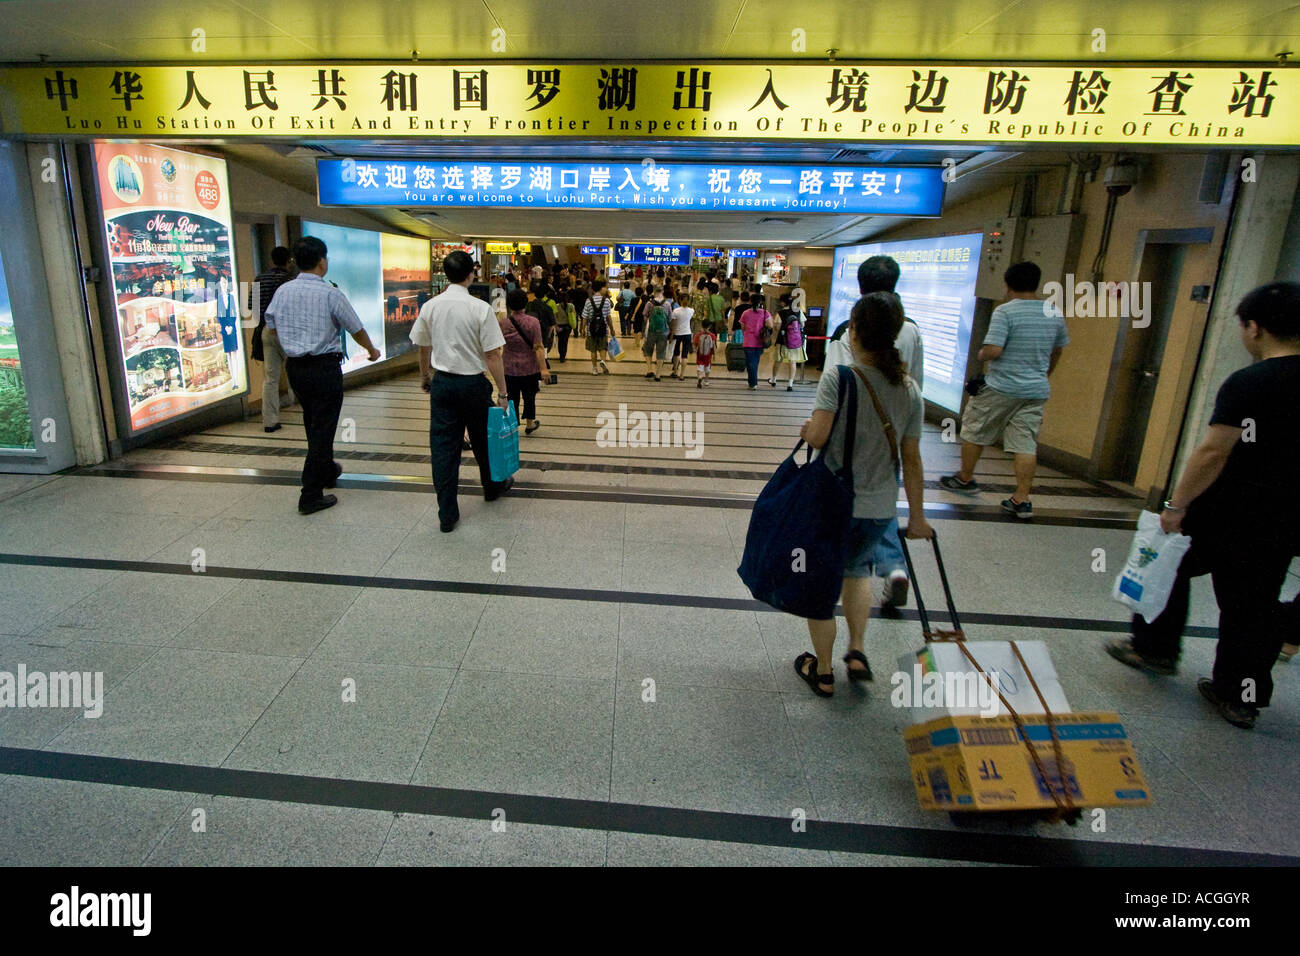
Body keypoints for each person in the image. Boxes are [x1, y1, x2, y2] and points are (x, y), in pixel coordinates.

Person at [1106, 282, 1300, 729]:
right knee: (1254, 603)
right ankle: (1239, 697)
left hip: (1228, 508)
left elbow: (1214, 451)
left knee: (1168, 563)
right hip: (1284, 517)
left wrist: (1177, 505)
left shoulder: (1251, 381)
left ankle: (1154, 649)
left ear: (1255, 328)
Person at [794, 293, 933, 696]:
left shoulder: (840, 377)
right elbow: (912, 458)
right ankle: (856, 650)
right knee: (857, 572)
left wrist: (806, 430)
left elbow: (818, 436)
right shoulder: (908, 388)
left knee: (821, 584)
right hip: (878, 509)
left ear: (853, 330)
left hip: (834, 503)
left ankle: (822, 671)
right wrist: (918, 517)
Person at [826, 257, 926, 606]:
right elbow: (915, 386)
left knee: (853, 504)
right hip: (891, 437)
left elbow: (834, 387)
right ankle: (894, 565)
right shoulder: (911, 329)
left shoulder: (847, 329)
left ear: (859, 285)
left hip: (851, 438)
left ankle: (850, 570)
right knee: (882, 497)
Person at [940, 261, 1066, 520]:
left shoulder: (1005, 312)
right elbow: (1057, 350)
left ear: (1007, 285)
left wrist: (982, 353)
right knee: (1025, 443)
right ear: (1036, 284)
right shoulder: (1053, 312)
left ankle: (965, 478)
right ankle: (1021, 498)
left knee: (975, 429)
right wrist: (1044, 374)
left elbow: (994, 350)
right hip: (1035, 389)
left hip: (1002, 386)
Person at [264, 236, 380, 515]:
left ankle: (327, 470)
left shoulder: (283, 292)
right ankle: (310, 494)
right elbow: (355, 327)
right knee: (323, 429)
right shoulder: (330, 293)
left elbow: (271, 326)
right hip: (324, 369)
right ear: (321, 261)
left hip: (296, 369)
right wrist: (372, 350)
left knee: (313, 421)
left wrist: (293, 345)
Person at [410, 251, 513, 534]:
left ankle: (447, 513)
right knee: (482, 441)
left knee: (444, 449)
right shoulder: (480, 309)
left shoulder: (431, 307)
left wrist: (425, 375)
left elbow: (423, 346)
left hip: (442, 384)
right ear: (472, 274)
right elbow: (493, 355)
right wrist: (503, 393)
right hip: (473, 385)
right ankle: (491, 489)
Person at [249, 246, 295, 432]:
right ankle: (299, 403)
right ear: (288, 261)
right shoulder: (292, 280)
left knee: (270, 378)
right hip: (290, 332)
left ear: (271, 261)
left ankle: (270, 421)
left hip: (267, 331)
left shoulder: (260, 278)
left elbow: (252, 307)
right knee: (298, 371)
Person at [500, 289, 548, 435]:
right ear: (525, 303)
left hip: (509, 367)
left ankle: (512, 425)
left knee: (512, 397)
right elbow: (538, 347)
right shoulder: (533, 322)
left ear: (509, 305)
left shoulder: (503, 323)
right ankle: (529, 423)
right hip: (530, 367)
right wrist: (544, 369)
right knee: (529, 396)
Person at [769, 292, 807, 390]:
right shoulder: (798, 311)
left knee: (778, 360)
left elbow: (777, 327)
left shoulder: (780, 313)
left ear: (783, 302)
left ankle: (773, 380)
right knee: (792, 361)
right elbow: (802, 325)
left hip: (783, 341)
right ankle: (790, 384)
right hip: (795, 342)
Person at [738, 294, 774, 390]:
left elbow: (743, 327)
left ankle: (753, 383)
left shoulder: (745, 313)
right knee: (754, 362)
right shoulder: (765, 313)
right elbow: (770, 326)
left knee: (750, 363)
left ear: (750, 301)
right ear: (761, 302)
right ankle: (753, 382)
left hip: (748, 341)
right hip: (759, 342)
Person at [583, 279, 615, 374]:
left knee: (593, 350)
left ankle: (594, 369)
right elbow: (608, 317)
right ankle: (603, 361)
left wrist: (582, 329)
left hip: (591, 330)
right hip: (603, 329)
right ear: (601, 288)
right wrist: (612, 329)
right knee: (603, 348)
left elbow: (585, 317)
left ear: (593, 290)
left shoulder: (588, 301)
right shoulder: (607, 301)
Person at [642, 289, 672, 381]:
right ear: (662, 292)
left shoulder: (649, 303)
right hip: (663, 332)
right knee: (661, 352)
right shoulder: (667, 304)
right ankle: (658, 375)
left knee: (647, 350)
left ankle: (649, 369)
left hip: (651, 330)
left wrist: (644, 330)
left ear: (654, 292)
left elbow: (644, 316)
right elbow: (670, 318)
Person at [669, 297, 695, 380]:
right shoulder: (691, 310)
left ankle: (675, 371)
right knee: (685, 355)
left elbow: (674, 325)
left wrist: (671, 336)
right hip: (687, 333)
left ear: (680, 300)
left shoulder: (676, 311)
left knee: (676, 353)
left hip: (677, 333)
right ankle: (682, 375)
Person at [694, 319, 717, 388]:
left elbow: (695, 344)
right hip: (708, 355)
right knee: (707, 368)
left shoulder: (698, 335)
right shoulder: (712, 335)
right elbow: (713, 346)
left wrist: (695, 350)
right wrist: (714, 355)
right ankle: (706, 380)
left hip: (700, 354)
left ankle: (700, 377)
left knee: (699, 367)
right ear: (709, 326)